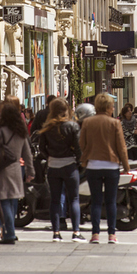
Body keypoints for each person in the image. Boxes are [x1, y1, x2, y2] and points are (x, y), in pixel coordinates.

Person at [79, 93, 130, 244]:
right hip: (111, 165)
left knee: (95, 201)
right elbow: (121, 147)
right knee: (110, 201)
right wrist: (126, 166)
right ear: (108, 107)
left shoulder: (87, 122)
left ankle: (95, 234)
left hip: (93, 165)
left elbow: (82, 144)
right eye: (113, 106)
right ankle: (111, 235)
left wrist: (86, 157)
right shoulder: (115, 123)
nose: (114, 108)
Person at [0, 102, 34, 245]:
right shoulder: (21, 132)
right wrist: (30, 171)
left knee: (3, 202)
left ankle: (9, 233)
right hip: (16, 169)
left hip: (1, 169)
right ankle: (8, 230)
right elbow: (27, 154)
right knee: (13, 201)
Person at [38, 97, 83, 243]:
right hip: (70, 166)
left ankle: (56, 233)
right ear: (66, 110)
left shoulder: (47, 127)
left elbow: (41, 149)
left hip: (53, 167)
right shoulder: (73, 126)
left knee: (55, 201)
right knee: (74, 199)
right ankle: (76, 232)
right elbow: (78, 148)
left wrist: (50, 157)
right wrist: (78, 161)